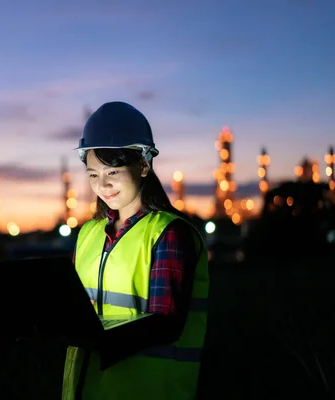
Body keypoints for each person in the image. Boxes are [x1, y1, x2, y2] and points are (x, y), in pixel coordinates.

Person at [62, 101, 209, 400]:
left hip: (146, 390)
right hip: (85, 389)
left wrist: (95, 337)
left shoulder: (168, 233)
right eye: (92, 175)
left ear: (143, 165)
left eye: (112, 171)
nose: (102, 185)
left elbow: (165, 325)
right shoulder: (88, 234)